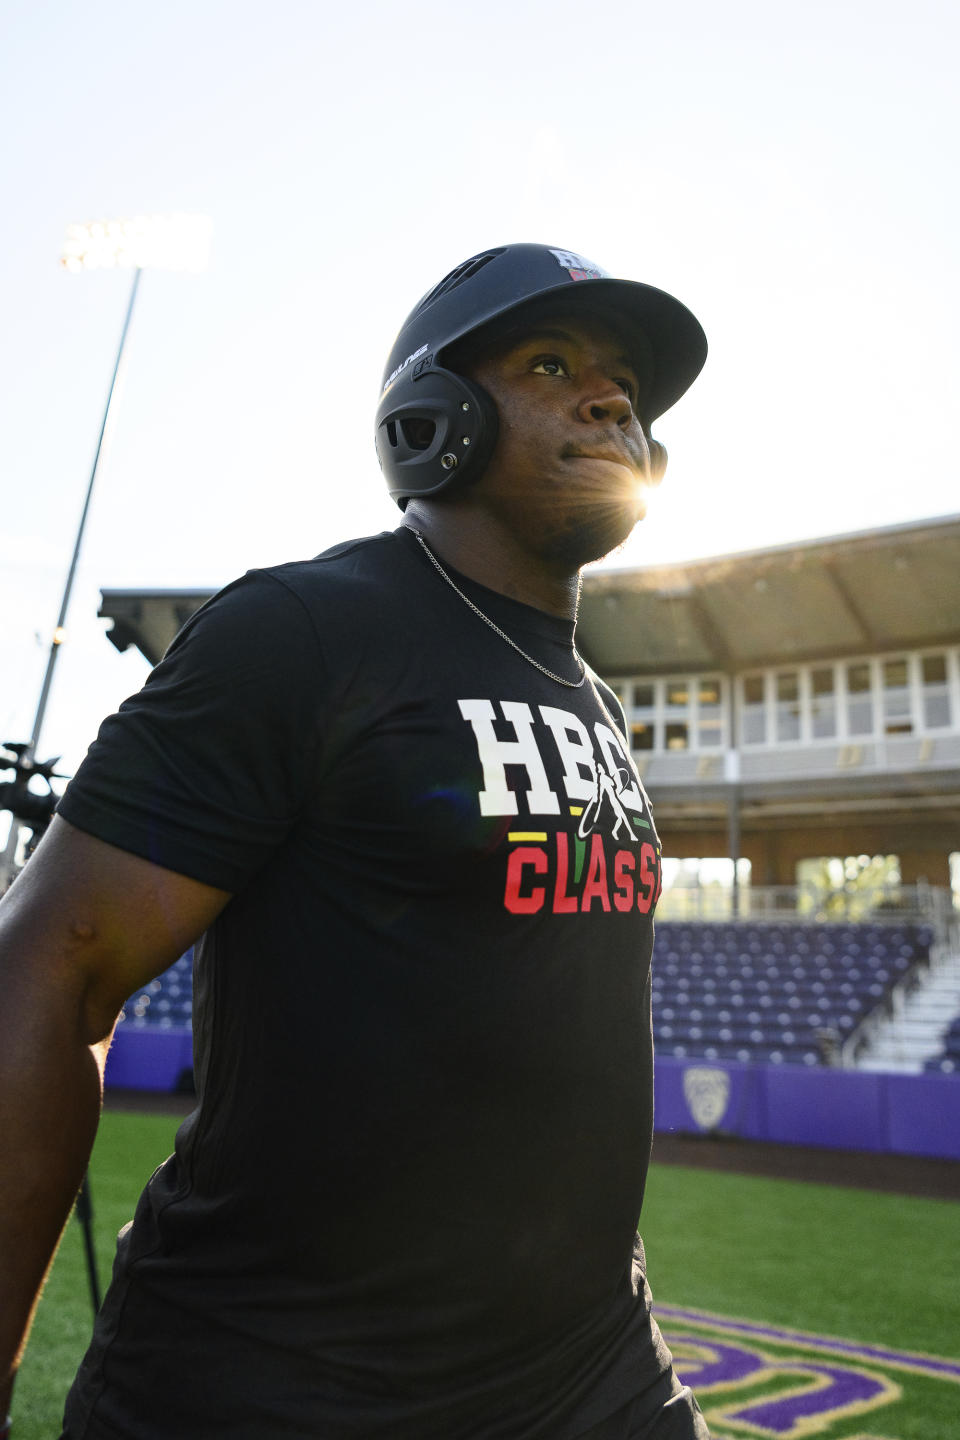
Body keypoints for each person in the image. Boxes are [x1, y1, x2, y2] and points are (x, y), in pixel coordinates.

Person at [0, 243, 710, 1439]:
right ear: (434, 420)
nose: (612, 399)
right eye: (553, 362)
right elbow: (48, 967)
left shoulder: (598, 700)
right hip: (276, 1386)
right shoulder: (306, 631)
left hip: (593, 1378)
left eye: (626, 386)